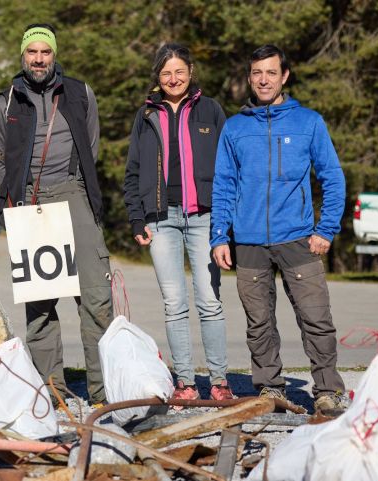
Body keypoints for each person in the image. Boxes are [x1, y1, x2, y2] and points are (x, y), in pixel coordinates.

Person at [211, 45, 348, 412]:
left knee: (316, 318)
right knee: (259, 324)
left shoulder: (309, 123)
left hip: (299, 238)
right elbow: (223, 184)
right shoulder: (235, 128)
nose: (264, 79)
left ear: (284, 76)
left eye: (271, 72)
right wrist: (219, 235)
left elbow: (333, 178)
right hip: (250, 241)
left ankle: (328, 391)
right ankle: (270, 388)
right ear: (250, 78)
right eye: (257, 73)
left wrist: (326, 229)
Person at [0, 23, 113, 406]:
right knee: (40, 305)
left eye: (45, 52)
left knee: (95, 296)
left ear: (54, 55)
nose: (38, 59)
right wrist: (18, 194)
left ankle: (104, 390)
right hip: (30, 201)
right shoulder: (4, 101)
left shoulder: (80, 93)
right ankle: (52, 390)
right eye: (32, 52)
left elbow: (91, 144)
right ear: (22, 56)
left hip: (73, 192)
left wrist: (77, 184)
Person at [123, 44, 232, 401]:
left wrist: (223, 223)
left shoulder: (211, 110)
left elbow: (228, 169)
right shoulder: (146, 114)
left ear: (191, 72)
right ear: (158, 76)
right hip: (161, 220)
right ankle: (185, 382)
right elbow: (133, 171)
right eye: (166, 73)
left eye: (179, 71)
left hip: (204, 218)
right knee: (174, 304)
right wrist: (137, 218)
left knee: (210, 301)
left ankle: (218, 382)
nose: (173, 79)